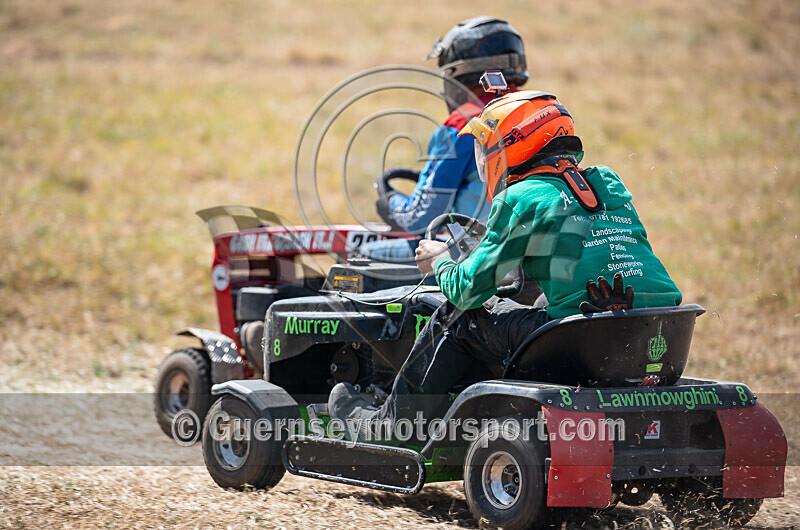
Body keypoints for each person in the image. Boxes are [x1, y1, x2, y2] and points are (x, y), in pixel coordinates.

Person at [330, 84, 682, 439]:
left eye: (487, 148)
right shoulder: (607, 182)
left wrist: (440, 261)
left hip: (580, 345)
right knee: (541, 302)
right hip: (662, 332)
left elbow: (467, 291)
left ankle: (391, 426)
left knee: (461, 315)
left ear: (510, 145)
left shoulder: (522, 197)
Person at [360, 16, 528, 262]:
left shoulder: (464, 125)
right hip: (536, 253)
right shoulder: (542, 112)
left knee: (362, 255)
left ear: (459, 76)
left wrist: (390, 202)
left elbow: (420, 218)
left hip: (482, 259)